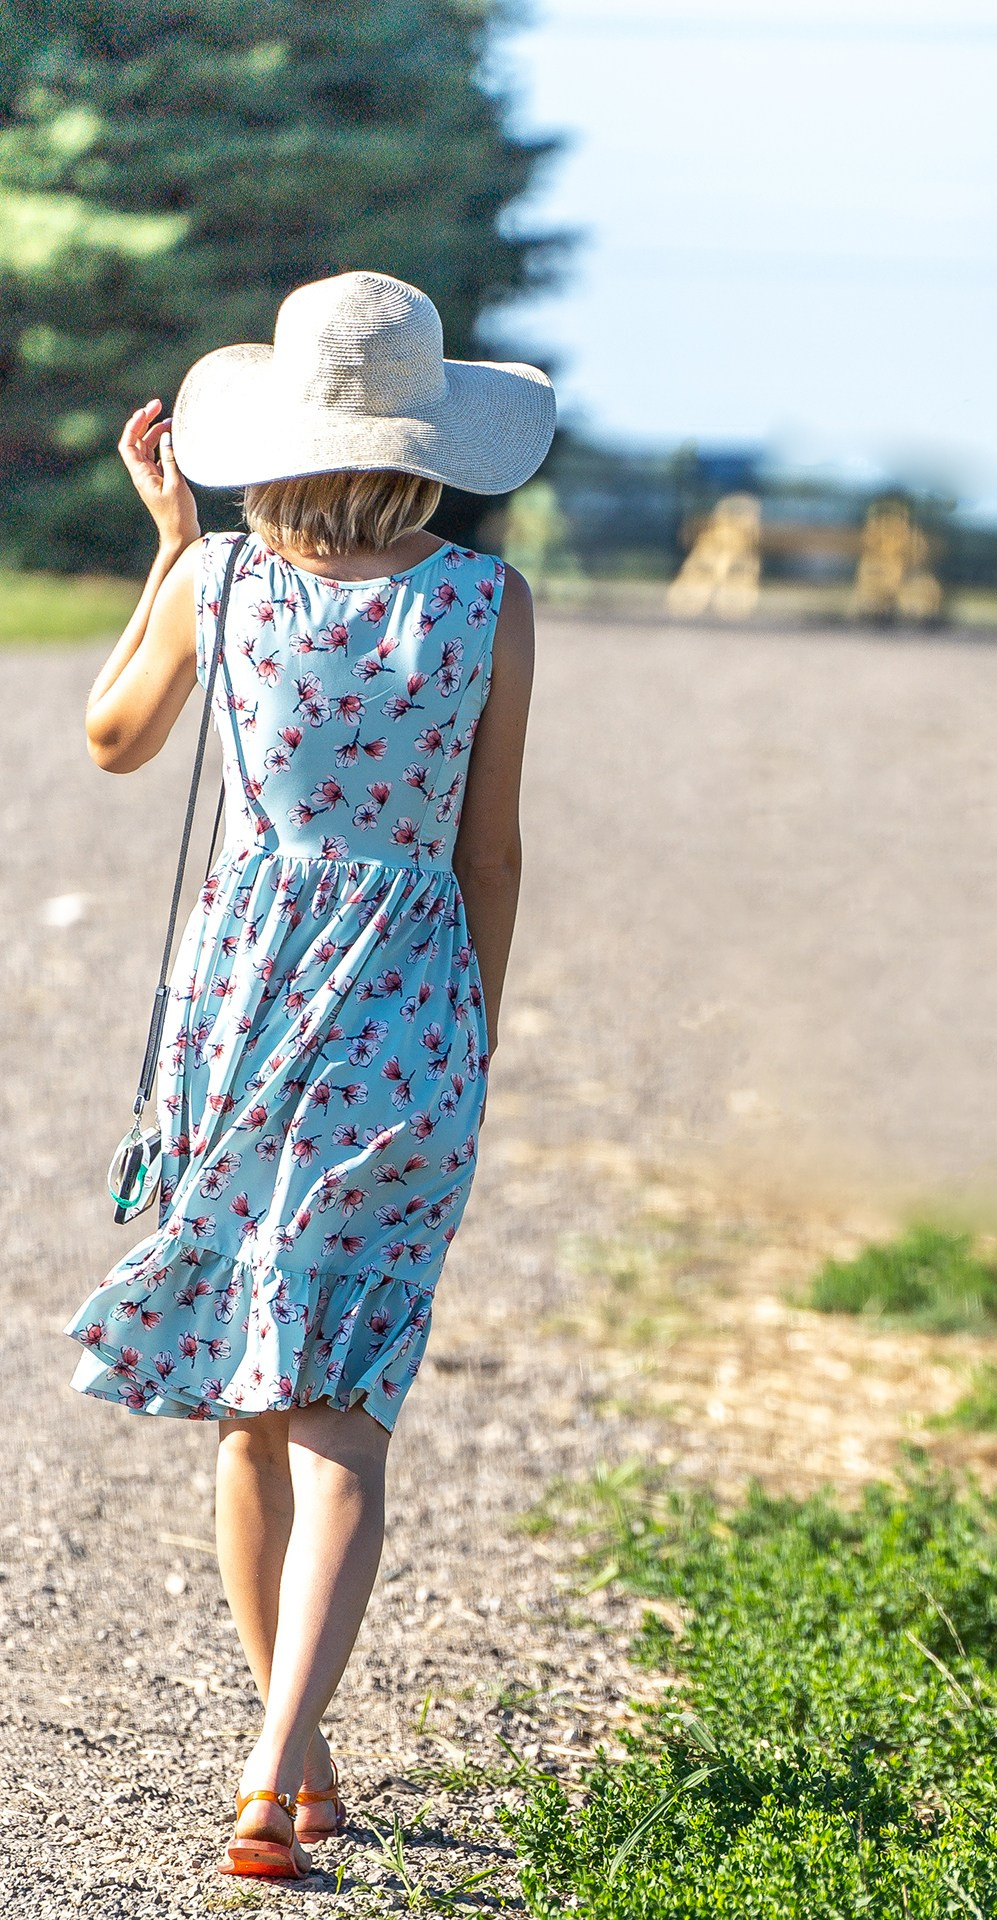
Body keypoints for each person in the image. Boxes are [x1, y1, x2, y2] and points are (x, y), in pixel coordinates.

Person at [62, 271, 555, 1879]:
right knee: (346, 1401)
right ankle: (287, 1758)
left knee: (248, 1409)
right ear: (436, 442)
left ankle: (281, 1756)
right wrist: (467, 1038)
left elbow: (113, 740)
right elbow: (491, 855)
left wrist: (168, 544)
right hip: (411, 1010)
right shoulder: (490, 608)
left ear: (271, 431)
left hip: (239, 1005)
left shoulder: (219, 581)